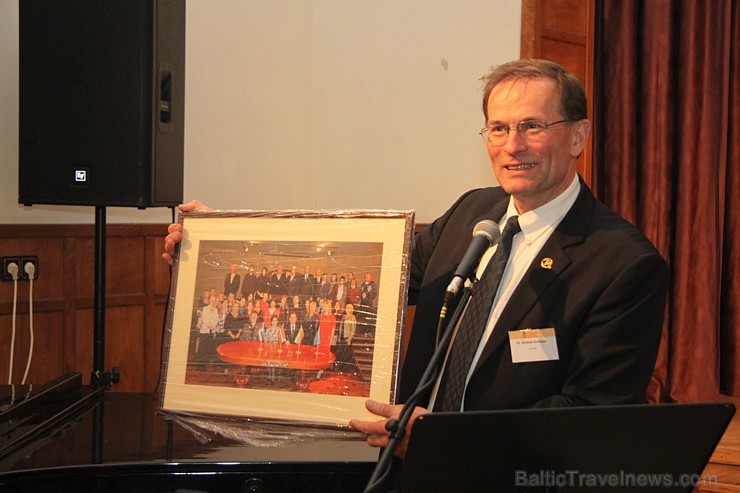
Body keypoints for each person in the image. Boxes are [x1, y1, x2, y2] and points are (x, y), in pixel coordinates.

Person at [163, 59, 668, 459]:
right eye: (498, 128)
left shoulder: (624, 264)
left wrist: (447, 442)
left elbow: (587, 416)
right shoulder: (473, 211)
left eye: (533, 126)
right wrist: (233, 248)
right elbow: (374, 285)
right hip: (402, 467)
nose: (513, 146)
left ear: (577, 136)